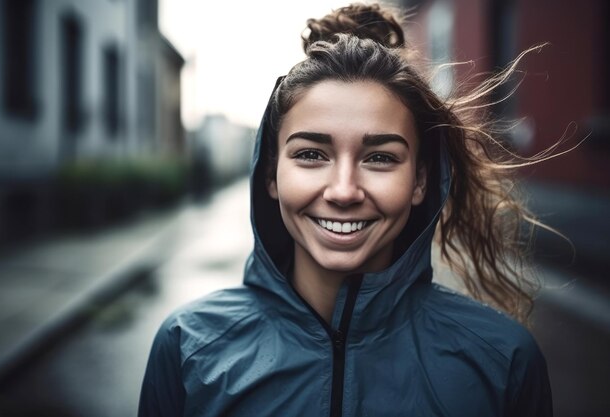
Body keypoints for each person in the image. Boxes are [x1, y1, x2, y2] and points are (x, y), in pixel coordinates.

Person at [138, 3, 553, 416]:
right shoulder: (187, 347)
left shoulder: (503, 363)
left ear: (420, 181)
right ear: (271, 174)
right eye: (311, 154)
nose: (343, 191)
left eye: (380, 158)